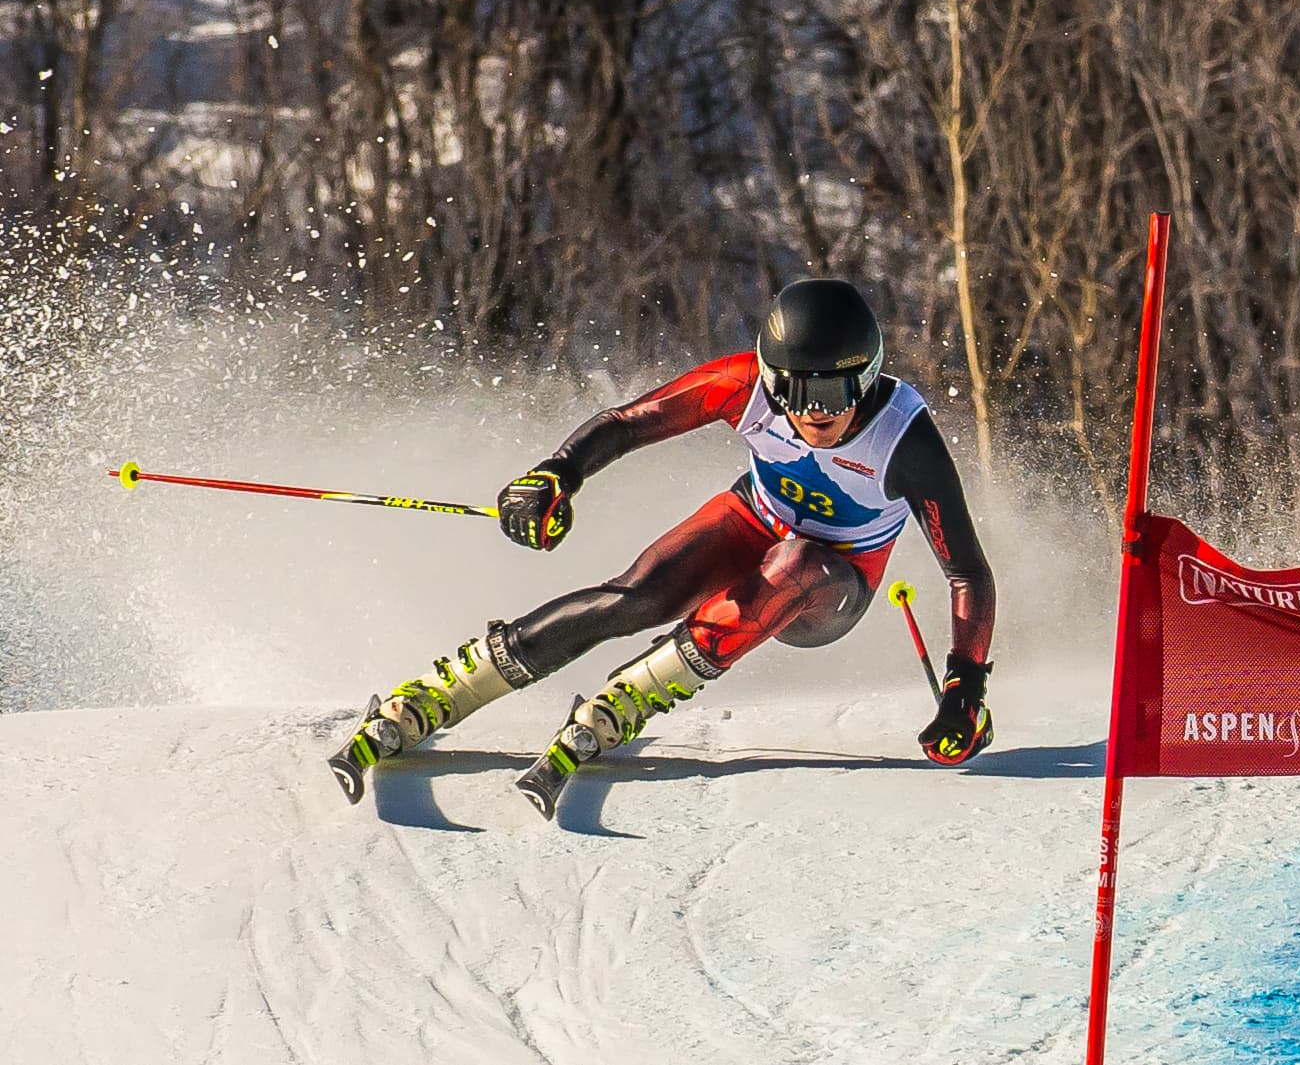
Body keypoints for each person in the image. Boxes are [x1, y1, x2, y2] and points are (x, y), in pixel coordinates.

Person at [328, 278, 996, 816]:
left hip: (832, 583)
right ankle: (447, 689)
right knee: (634, 599)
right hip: (755, 519)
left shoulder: (906, 442)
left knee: (795, 565)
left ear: (869, 378)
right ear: (771, 379)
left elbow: (965, 570)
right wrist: (556, 474)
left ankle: (637, 692)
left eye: (835, 390)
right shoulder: (745, 386)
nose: (815, 411)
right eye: (795, 390)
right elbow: (627, 423)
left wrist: (964, 686)